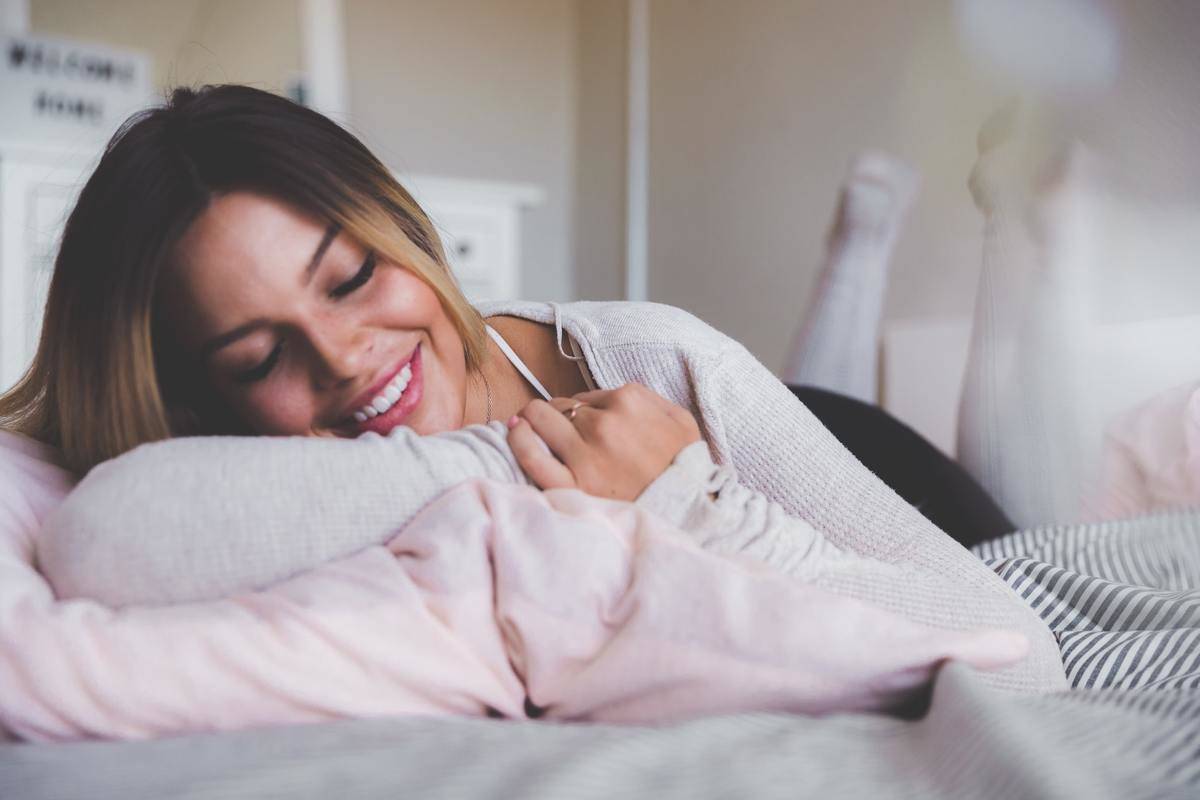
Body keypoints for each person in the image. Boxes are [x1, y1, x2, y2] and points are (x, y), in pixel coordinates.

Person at [0, 85, 1065, 694]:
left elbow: (1019, 650)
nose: (342, 356)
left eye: (356, 275)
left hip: (839, 450)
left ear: (405, 228)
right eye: (257, 358)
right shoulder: (228, 480)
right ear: (197, 405)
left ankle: (900, 248)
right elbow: (112, 535)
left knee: (899, 439)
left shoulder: (651, 359)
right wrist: (485, 462)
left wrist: (694, 500)